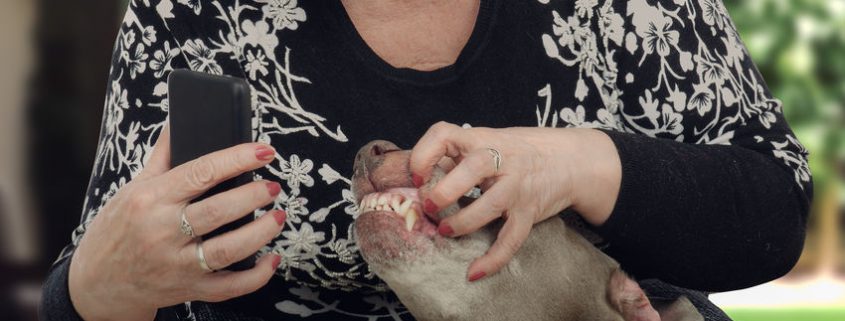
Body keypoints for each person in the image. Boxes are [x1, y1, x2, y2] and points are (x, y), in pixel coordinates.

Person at [41, 0, 812, 320]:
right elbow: (102, 275)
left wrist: (577, 163)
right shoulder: (193, 12)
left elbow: (771, 215)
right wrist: (87, 289)